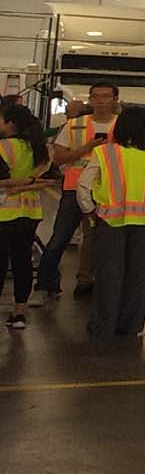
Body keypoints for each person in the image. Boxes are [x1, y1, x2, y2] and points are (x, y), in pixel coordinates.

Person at [75, 106, 145, 342]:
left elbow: (83, 184)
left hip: (110, 222)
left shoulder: (105, 153)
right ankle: (131, 324)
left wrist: (89, 209)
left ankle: (104, 325)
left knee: (108, 274)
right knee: (139, 275)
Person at [30, 83, 120, 305]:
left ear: (115, 99)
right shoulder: (74, 125)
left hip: (106, 191)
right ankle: (44, 285)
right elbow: (58, 158)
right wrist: (86, 147)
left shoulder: (122, 126)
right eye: (96, 97)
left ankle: (92, 282)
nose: (100, 101)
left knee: (100, 241)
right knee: (60, 238)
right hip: (74, 189)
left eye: (106, 97)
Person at [0, 105, 53, 330]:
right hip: (30, 211)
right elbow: (51, 180)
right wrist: (32, 183)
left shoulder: (3, 148)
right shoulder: (41, 149)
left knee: (0, 263)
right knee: (22, 262)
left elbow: (2, 182)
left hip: (3, 211)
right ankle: (19, 312)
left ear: (11, 123)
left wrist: (14, 186)